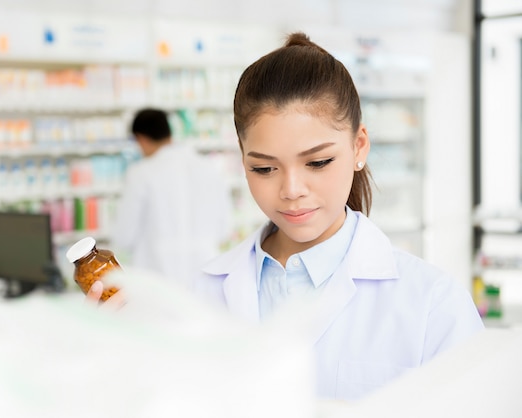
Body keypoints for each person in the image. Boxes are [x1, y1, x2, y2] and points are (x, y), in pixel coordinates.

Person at [90, 33, 484, 401]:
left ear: (359, 146)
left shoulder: (433, 304)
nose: (291, 189)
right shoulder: (202, 294)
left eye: (318, 162)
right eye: (264, 169)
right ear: (242, 159)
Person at [109, 108, 233, 291]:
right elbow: (225, 229)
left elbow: (124, 237)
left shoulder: (141, 173)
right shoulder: (208, 168)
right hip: (206, 277)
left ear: (140, 139)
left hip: (157, 279)